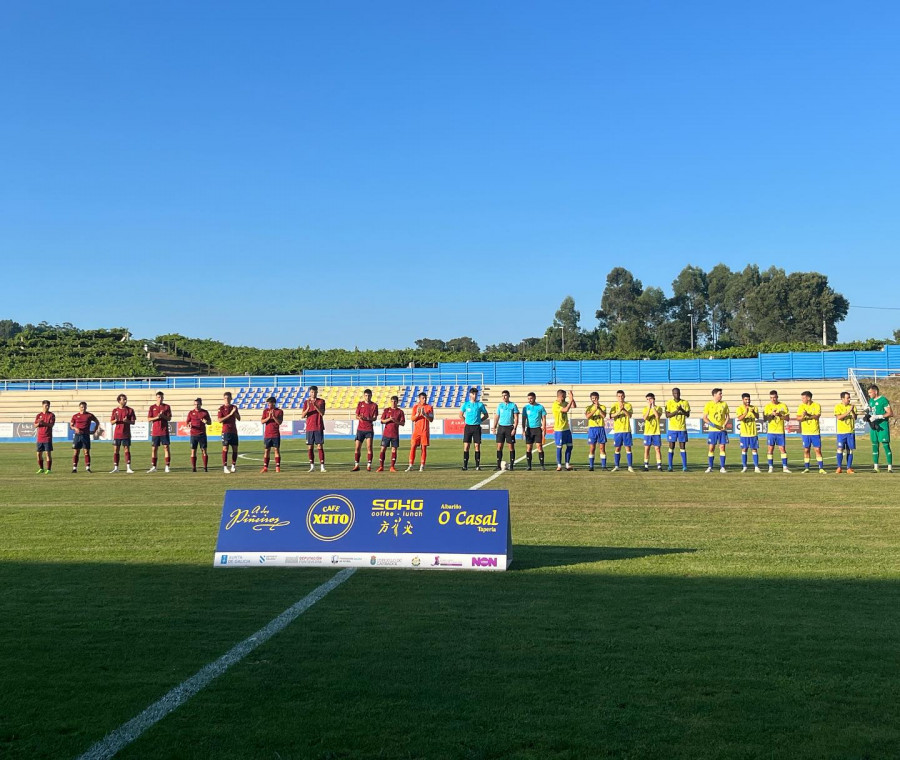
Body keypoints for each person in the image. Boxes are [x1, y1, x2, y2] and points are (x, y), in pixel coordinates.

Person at [797, 390, 826, 474]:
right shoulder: (801, 406)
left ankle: (821, 468)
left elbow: (817, 416)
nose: (802, 399)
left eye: (803, 398)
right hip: (805, 433)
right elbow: (798, 418)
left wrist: (808, 415)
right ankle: (807, 468)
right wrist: (803, 416)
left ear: (808, 398)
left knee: (817, 450)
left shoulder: (816, 405)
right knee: (806, 450)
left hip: (815, 432)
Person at [459, 387, 489, 471]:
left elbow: (486, 415)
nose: (475, 395)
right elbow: (460, 415)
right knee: (466, 446)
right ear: (470, 394)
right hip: (468, 427)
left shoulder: (480, 405)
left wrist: (480, 420)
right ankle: (465, 465)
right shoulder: (466, 404)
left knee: (477, 446)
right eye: (473, 394)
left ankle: (477, 465)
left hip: (476, 427)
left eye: (476, 394)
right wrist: (466, 421)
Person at [866, 384, 893, 473]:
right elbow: (871, 410)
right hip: (874, 427)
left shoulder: (883, 400)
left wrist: (879, 416)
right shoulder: (871, 401)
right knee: (874, 445)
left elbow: (890, 413)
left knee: (885, 445)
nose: (869, 394)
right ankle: (876, 467)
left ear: (875, 392)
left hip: (882, 426)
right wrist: (867, 415)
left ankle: (889, 468)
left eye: (870, 392)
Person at [763, 390, 791, 473]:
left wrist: (780, 415)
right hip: (771, 432)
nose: (773, 399)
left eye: (774, 397)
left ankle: (785, 467)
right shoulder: (767, 406)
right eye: (771, 398)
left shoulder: (783, 406)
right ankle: (770, 467)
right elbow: (765, 419)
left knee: (782, 449)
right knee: (770, 449)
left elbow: (787, 418)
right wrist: (772, 414)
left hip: (780, 431)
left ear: (777, 397)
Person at [703, 387, 730, 473]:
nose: (721, 395)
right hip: (712, 430)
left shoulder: (724, 404)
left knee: (722, 447)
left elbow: (728, 416)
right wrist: (713, 425)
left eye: (721, 394)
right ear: (714, 395)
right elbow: (704, 418)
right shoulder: (708, 404)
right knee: (711, 448)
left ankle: (722, 467)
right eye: (720, 394)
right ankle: (710, 467)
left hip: (722, 430)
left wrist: (724, 424)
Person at [70, 401, 101, 473]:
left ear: (86, 407)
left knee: (86, 452)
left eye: (84, 407)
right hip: (77, 436)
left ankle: (88, 468)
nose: (83, 408)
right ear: (79, 408)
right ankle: (74, 468)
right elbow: (71, 426)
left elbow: (97, 422)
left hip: (86, 435)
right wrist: (75, 428)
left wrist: (94, 430)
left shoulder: (89, 415)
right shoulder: (75, 416)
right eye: (81, 407)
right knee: (76, 452)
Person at [492, 390, 519, 470]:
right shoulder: (500, 406)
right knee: (499, 446)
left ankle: (511, 465)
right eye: (503, 395)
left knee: (511, 446)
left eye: (505, 395)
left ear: (508, 396)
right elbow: (497, 417)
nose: (504, 397)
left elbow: (516, 418)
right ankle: (498, 465)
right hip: (501, 428)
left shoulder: (513, 405)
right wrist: (494, 427)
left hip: (509, 427)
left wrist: (514, 428)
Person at [352, 388, 378, 472]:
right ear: (364, 396)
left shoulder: (374, 405)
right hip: (360, 429)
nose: (367, 397)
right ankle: (356, 465)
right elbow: (356, 415)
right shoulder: (360, 404)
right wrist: (359, 417)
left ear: (371, 396)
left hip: (369, 429)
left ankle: (369, 465)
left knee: (369, 447)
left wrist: (366, 418)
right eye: (366, 395)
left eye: (369, 395)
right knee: (357, 447)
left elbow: (374, 418)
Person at [301, 385, 326, 472]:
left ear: (317, 392)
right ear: (309, 393)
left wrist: (316, 406)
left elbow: (322, 413)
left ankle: (322, 466)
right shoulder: (306, 402)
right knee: (310, 447)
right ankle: (312, 466)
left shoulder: (321, 401)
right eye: (312, 392)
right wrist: (308, 408)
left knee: (319, 446)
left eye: (315, 392)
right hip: (309, 427)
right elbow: (302, 415)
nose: (313, 393)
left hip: (318, 426)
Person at [665, 387, 690, 472]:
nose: (677, 395)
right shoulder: (669, 403)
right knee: (671, 446)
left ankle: (684, 466)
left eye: (678, 393)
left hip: (682, 428)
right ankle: (670, 466)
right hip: (672, 428)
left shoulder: (685, 402)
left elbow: (687, 414)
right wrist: (676, 411)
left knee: (682, 447)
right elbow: (667, 415)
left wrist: (681, 409)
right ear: (672, 394)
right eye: (675, 393)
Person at [109, 394, 136, 474]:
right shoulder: (115, 410)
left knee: (126, 449)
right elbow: (111, 422)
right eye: (123, 399)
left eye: (125, 399)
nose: (125, 401)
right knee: (116, 450)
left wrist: (127, 421)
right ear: (119, 401)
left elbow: (133, 422)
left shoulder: (130, 410)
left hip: (126, 433)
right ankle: (116, 468)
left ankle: (128, 467)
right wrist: (116, 420)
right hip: (117, 434)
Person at [407, 391, 433, 471]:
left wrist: (425, 415)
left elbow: (431, 419)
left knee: (423, 448)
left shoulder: (429, 407)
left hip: (424, 431)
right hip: (416, 431)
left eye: (425, 398)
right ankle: (410, 465)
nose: (424, 399)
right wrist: (417, 415)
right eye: (423, 398)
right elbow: (412, 419)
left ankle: (422, 465)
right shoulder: (415, 407)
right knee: (413, 446)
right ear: (419, 399)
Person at [378, 396, 405, 472]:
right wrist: (389, 419)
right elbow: (382, 421)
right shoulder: (386, 410)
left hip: (394, 434)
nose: (393, 403)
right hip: (386, 434)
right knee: (383, 449)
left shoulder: (400, 412)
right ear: (390, 402)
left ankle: (392, 467)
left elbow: (403, 423)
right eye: (392, 401)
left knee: (394, 450)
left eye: (395, 401)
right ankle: (381, 466)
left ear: (397, 402)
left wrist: (395, 421)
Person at [147, 391, 172, 473]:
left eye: (161, 397)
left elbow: (169, 418)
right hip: (155, 431)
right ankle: (154, 466)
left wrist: (163, 416)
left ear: (163, 398)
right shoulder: (152, 407)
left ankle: (167, 466)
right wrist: (157, 417)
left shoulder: (167, 407)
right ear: (156, 398)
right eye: (158, 397)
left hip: (164, 431)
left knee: (166, 448)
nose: (160, 399)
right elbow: (149, 419)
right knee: (154, 449)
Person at [551, 388, 576, 471]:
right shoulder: (555, 404)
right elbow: (566, 409)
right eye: (564, 397)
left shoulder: (564, 402)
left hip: (566, 429)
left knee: (570, 446)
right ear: (560, 396)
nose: (565, 398)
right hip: (559, 429)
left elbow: (573, 406)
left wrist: (572, 399)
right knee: (559, 447)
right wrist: (570, 400)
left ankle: (567, 464)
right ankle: (559, 465)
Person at [736, 393, 761, 473]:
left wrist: (753, 412)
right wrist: (746, 412)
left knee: (754, 449)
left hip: (753, 433)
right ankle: (744, 467)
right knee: (744, 449)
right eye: (746, 399)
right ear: (743, 400)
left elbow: (757, 417)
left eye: (749, 399)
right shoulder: (740, 408)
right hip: (744, 433)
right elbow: (739, 418)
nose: (748, 401)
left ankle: (756, 467)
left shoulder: (754, 407)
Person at [521, 391, 547, 471]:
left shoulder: (540, 407)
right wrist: (523, 429)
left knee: (539, 446)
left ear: (534, 398)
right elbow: (523, 419)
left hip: (537, 429)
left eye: (531, 398)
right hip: (529, 429)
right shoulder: (525, 408)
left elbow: (544, 418)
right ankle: (529, 466)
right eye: (528, 398)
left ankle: (542, 465)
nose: (529, 400)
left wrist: (544, 427)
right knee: (529, 448)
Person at [610, 390, 634, 472]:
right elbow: (611, 415)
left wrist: (623, 409)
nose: (620, 398)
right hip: (617, 431)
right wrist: (619, 411)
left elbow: (629, 415)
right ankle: (616, 466)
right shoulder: (614, 405)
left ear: (624, 396)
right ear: (617, 397)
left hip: (626, 430)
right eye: (619, 396)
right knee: (617, 448)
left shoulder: (628, 405)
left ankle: (630, 466)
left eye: (622, 396)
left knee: (628, 448)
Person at [834, 391, 858, 474]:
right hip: (841, 432)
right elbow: (839, 417)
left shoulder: (852, 407)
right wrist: (848, 411)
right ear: (842, 399)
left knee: (850, 450)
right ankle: (839, 467)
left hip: (850, 432)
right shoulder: (838, 407)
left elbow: (855, 418)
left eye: (849, 397)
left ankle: (849, 468)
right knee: (840, 449)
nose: (849, 399)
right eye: (847, 398)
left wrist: (853, 411)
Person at [186, 397, 212, 472]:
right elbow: (187, 423)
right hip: (193, 435)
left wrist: (206, 422)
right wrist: (189, 425)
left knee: (204, 451)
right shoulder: (191, 413)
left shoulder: (205, 412)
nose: (196, 406)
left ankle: (205, 467)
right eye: (195, 404)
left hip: (202, 434)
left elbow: (210, 422)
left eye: (198, 404)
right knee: (193, 451)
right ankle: (194, 468)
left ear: (201, 404)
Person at [218, 391, 241, 474]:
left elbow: (239, 418)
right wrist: (230, 414)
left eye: (228, 398)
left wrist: (234, 413)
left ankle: (233, 466)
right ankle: (225, 467)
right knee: (225, 448)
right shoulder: (221, 408)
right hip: (226, 431)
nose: (226, 400)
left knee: (235, 449)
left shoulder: (234, 407)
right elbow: (220, 420)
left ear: (231, 398)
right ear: (223, 399)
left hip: (234, 431)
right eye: (225, 398)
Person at [584, 392, 607, 471]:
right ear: (591, 399)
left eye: (596, 398)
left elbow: (604, 416)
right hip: (592, 429)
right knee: (592, 448)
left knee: (602, 448)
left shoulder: (603, 407)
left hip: (600, 428)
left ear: (598, 398)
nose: (594, 400)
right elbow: (587, 416)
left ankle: (603, 466)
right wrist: (594, 409)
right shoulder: (588, 407)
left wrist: (599, 408)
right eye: (593, 398)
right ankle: (591, 466)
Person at [261, 396, 284, 473]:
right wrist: (268, 417)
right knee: (266, 450)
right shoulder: (265, 411)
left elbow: (279, 422)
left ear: (273, 403)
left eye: (269, 403)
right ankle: (265, 467)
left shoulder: (279, 411)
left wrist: (273, 417)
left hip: (275, 434)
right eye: (268, 403)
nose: (268, 405)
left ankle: (277, 467)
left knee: (276, 450)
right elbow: (262, 421)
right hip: (267, 434)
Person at [642, 393, 663, 471]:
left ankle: (659, 465)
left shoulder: (658, 408)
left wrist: (653, 407)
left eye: (650, 399)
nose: (649, 401)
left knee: (657, 449)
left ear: (654, 399)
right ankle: (646, 466)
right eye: (647, 399)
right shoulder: (645, 408)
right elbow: (645, 418)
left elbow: (657, 416)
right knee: (646, 449)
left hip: (656, 432)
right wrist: (648, 408)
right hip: (647, 432)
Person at [34, 399, 55, 474]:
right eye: (46, 405)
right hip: (40, 437)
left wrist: (43, 423)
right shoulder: (39, 415)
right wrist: (38, 424)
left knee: (47, 453)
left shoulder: (51, 415)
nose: (47, 407)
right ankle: (41, 468)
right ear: (42, 406)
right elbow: (35, 425)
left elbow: (51, 425)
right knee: (38, 454)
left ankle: (48, 469)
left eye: (48, 405)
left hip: (47, 437)